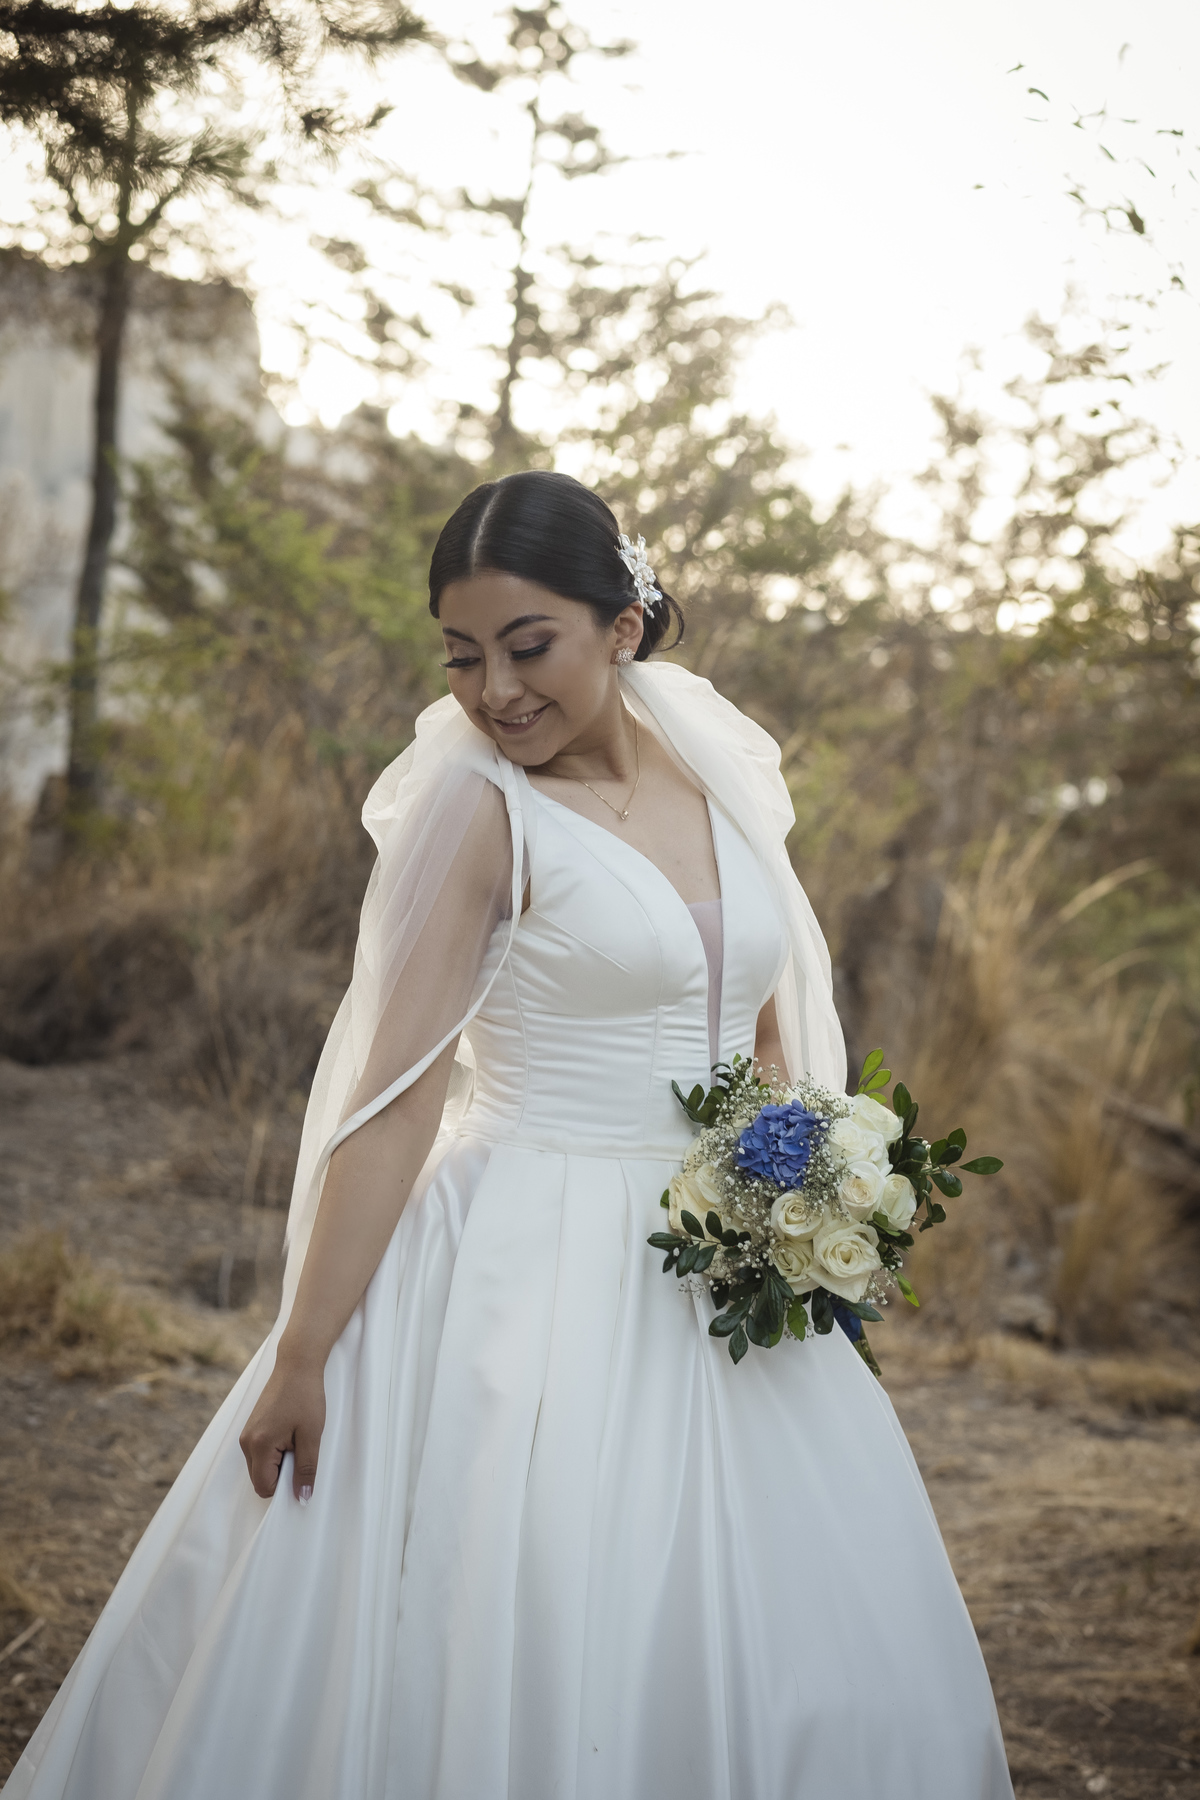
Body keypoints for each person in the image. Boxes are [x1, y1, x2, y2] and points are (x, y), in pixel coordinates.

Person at [7, 471, 1013, 1800]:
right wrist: (302, 1353)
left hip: (724, 1261)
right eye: (462, 655)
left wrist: (803, 1190)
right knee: (525, 1593)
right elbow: (397, 1097)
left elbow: (768, 1035)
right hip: (522, 1260)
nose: (494, 692)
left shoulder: (721, 781)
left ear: (624, 626)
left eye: (528, 647)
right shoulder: (481, 811)